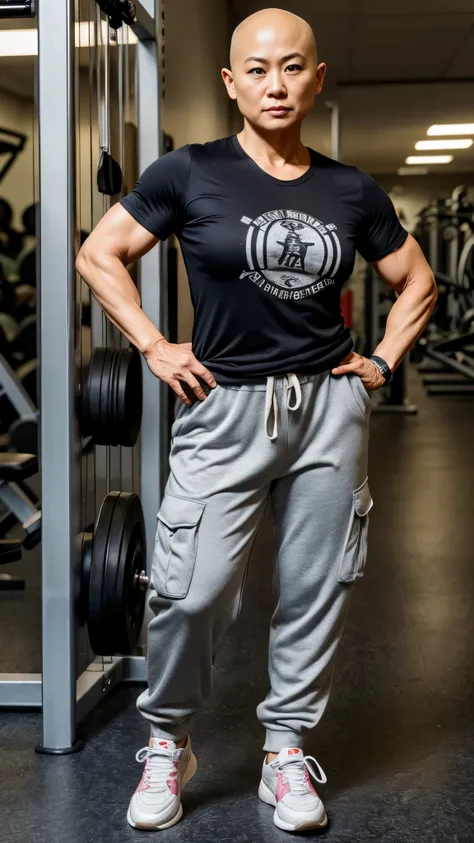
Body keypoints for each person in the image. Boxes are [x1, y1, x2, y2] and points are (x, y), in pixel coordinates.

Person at [76, 7, 438, 834]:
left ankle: (284, 749)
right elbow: (100, 254)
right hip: (223, 404)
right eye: (259, 69)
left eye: (293, 67)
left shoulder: (351, 189)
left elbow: (416, 282)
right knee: (189, 588)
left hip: (327, 407)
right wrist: (154, 345)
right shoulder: (188, 171)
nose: (277, 84)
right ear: (231, 83)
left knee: (317, 586)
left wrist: (380, 362)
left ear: (317, 78)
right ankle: (169, 738)